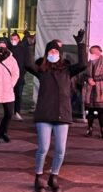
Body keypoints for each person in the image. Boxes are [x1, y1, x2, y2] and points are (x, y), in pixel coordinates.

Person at [25, 30, 87, 192]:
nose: (53, 53)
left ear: (60, 54)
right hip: (45, 114)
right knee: (43, 148)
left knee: (60, 150)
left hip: (62, 114)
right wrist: (30, 45)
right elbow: (28, 64)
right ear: (47, 53)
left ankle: (54, 176)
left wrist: (80, 45)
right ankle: (38, 177)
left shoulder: (66, 70)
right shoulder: (41, 70)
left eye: (56, 51)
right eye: (51, 51)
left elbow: (83, 65)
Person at [7, 32, 28, 121]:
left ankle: (17, 112)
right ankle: (9, 112)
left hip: (19, 77)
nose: (13, 41)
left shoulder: (23, 49)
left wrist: (21, 73)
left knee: (18, 95)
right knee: (9, 96)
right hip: (8, 77)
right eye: (12, 39)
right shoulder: (7, 49)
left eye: (15, 39)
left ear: (18, 39)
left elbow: (26, 63)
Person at [83, 45, 103, 137]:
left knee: (101, 111)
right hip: (90, 91)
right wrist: (88, 79)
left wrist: (95, 79)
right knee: (90, 111)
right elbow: (84, 75)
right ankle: (89, 129)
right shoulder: (89, 62)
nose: (92, 53)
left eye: (94, 51)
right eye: (91, 52)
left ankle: (102, 130)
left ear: (99, 51)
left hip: (100, 90)